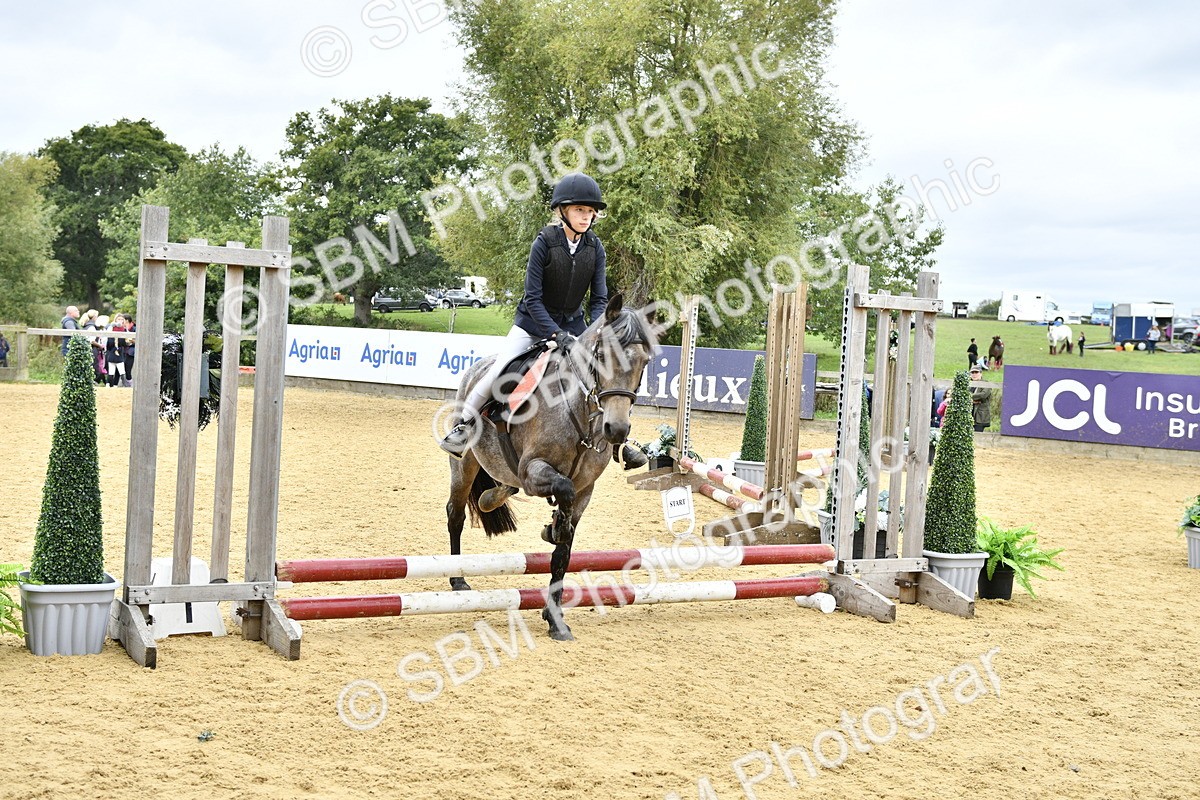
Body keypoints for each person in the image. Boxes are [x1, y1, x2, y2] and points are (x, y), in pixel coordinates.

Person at [439, 172, 646, 469]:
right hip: (532, 324)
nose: (586, 217)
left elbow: (600, 299)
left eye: (590, 211)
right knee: (500, 369)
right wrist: (553, 333)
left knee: (601, 376)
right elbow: (532, 298)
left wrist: (593, 330)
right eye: (579, 210)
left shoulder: (595, 248)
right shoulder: (545, 243)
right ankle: (463, 426)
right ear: (563, 211)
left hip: (575, 327)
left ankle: (618, 443)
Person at [968, 365, 992, 432]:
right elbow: (962, 395)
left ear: (981, 373)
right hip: (968, 415)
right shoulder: (968, 384)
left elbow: (983, 395)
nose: (974, 374)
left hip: (980, 416)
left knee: (978, 436)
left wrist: (968, 397)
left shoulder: (986, 384)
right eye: (972, 372)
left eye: (976, 372)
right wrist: (973, 400)